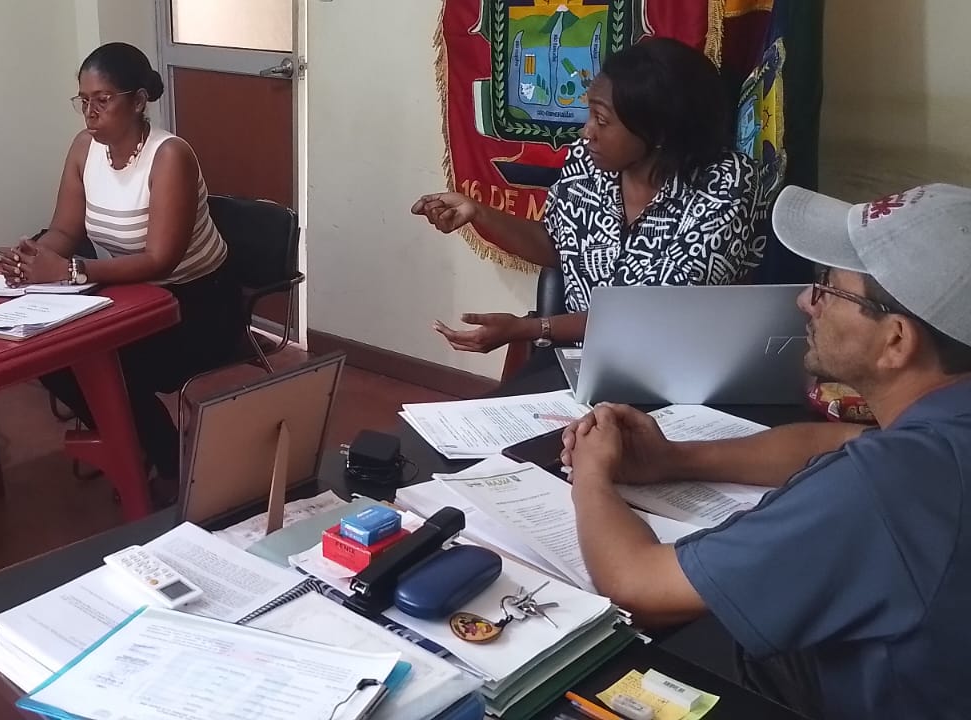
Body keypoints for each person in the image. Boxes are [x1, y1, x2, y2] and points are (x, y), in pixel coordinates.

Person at [561, 184, 971, 719]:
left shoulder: (891, 485)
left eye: (830, 288)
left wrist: (591, 473)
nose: (806, 301)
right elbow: (838, 440)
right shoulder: (943, 429)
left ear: (896, 340)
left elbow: (639, 586)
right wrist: (675, 459)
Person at [0, 43, 242, 501]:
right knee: (50, 356)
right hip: (128, 295)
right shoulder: (83, 148)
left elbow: (160, 260)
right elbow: (65, 229)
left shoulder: (170, 155)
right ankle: (140, 443)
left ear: (138, 100)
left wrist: (69, 271)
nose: (90, 113)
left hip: (197, 304)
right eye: (83, 100)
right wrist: (32, 259)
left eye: (103, 100)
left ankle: (167, 459)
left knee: (107, 364)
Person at [412, 37, 762, 353]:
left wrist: (531, 328)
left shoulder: (727, 183)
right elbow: (557, 244)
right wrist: (479, 212)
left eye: (602, 120)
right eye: (589, 113)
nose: (586, 131)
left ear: (658, 132)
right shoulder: (587, 161)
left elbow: (653, 313)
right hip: (581, 358)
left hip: (677, 367)